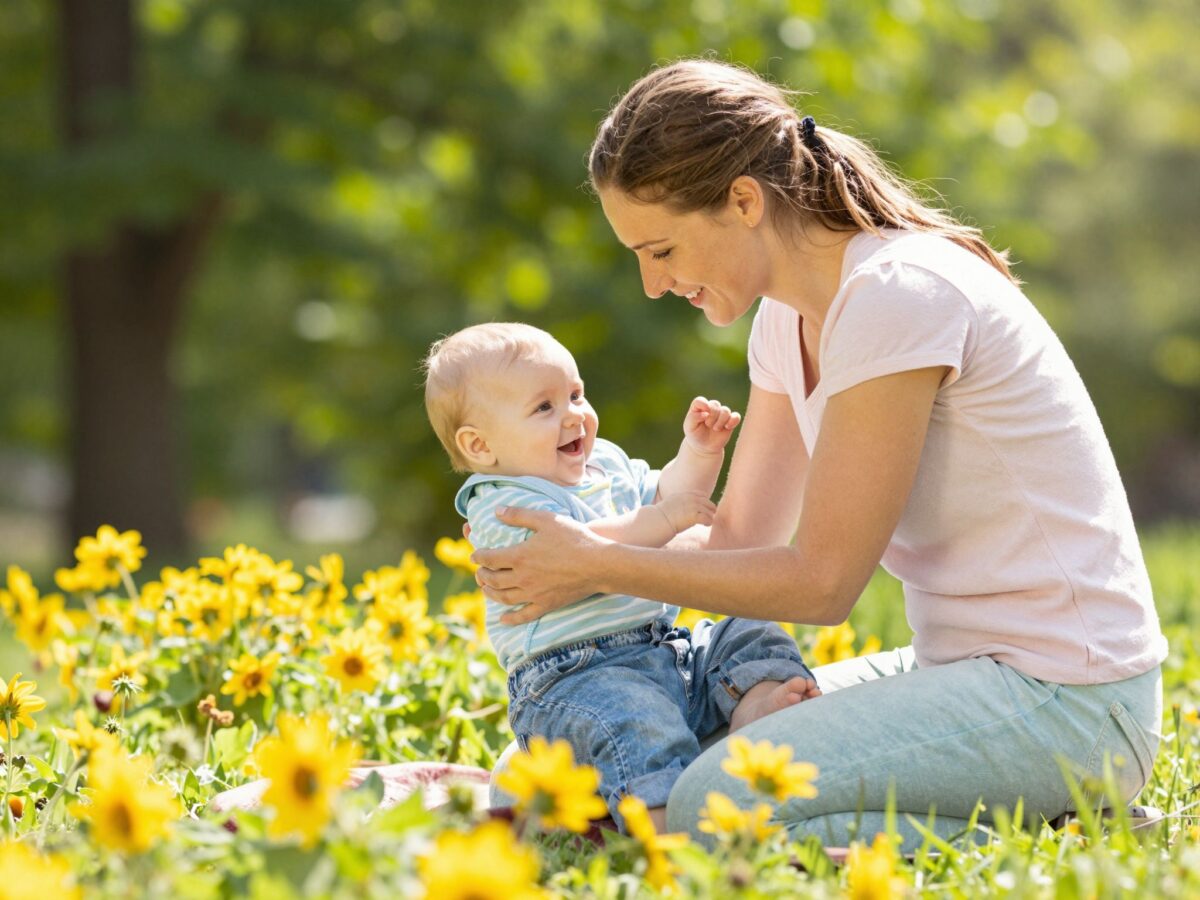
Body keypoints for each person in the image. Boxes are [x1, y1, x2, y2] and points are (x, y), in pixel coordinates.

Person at [470, 59, 1169, 848]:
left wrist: (597, 567)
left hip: (1070, 701)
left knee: (709, 808)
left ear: (743, 201)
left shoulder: (896, 297)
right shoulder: (785, 317)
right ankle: (1028, 816)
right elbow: (743, 541)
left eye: (660, 250)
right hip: (961, 673)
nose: (651, 285)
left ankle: (1061, 834)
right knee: (588, 772)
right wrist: (585, 548)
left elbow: (823, 581)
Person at [423, 322, 820, 832]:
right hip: (574, 681)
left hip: (662, 652)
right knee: (636, 722)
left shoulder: (603, 463)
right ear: (479, 445)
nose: (573, 416)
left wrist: (698, 454)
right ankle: (662, 832)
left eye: (575, 393)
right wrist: (663, 521)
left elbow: (664, 495)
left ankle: (754, 709)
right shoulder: (500, 500)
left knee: (747, 631)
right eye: (544, 408)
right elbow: (581, 545)